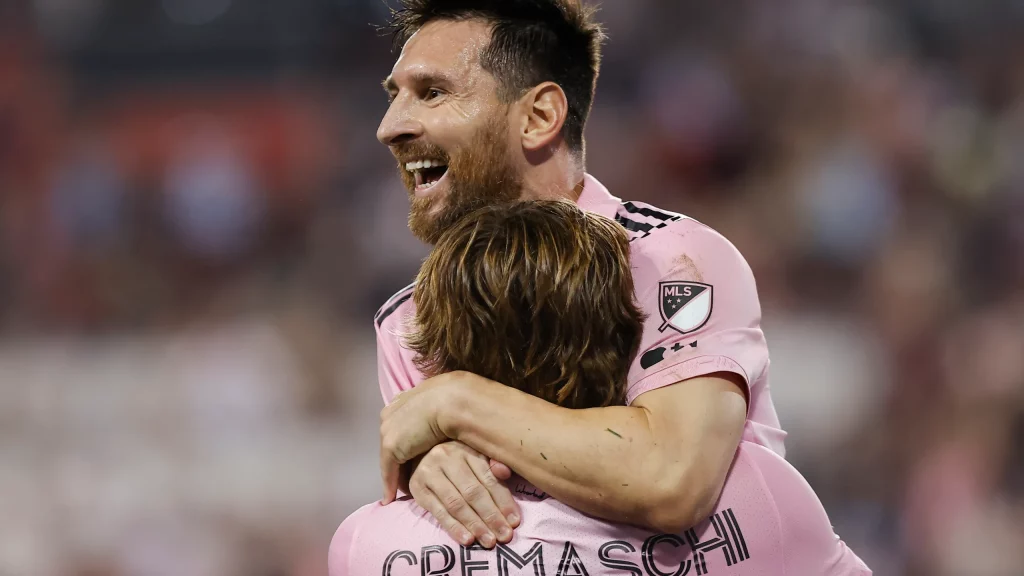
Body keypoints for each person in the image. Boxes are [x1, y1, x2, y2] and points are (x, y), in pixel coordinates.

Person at [374, 0, 787, 551]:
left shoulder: (671, 262)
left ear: (540, 116)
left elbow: (671, 482)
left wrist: (457, 405)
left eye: (432, 92)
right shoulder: (408, 320)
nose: (389, 128)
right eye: (394, 95)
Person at [330, 200, 870, 575]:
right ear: (621, 343)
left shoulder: (375, 548)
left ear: (440, 357)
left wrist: (456, 403)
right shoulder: (759, 498)